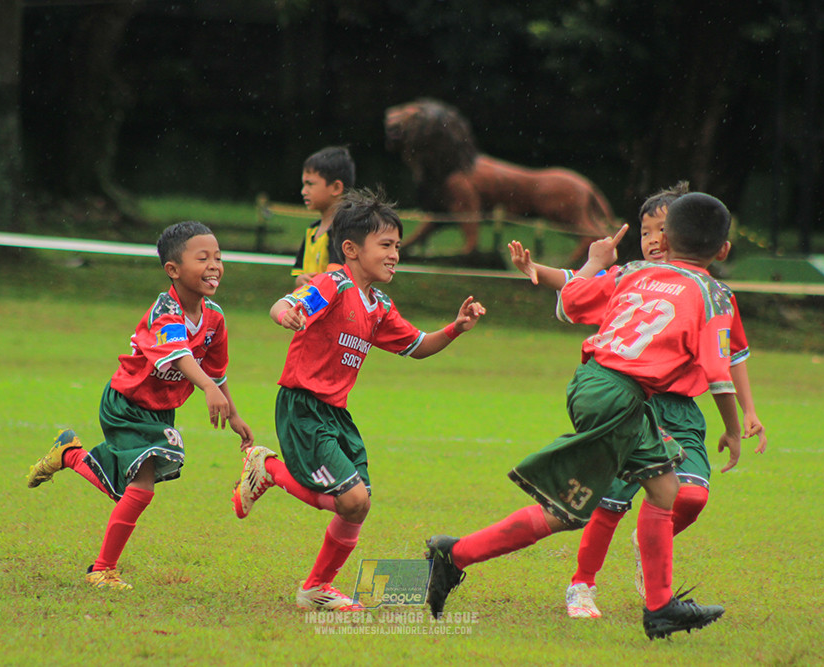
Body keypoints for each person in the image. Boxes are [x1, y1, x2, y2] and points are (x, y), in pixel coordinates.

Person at [425, 192, 742, 640]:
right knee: (568, 512)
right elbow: (718, 373)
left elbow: (572, 300)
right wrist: (733, 428)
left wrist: (595, 262)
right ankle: (454, 555)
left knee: (662, 487)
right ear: (723, 249)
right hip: (620, 394)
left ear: (668, 236)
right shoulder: (714, 292)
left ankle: (660, 608)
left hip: (597, 383)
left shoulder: (635, 270)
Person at [509, 182, 767, 619]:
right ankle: (582, 585)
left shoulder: (712, 295)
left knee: (691, 497)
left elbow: (730, 356)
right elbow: (575, 289)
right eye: (646, 232)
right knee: (608, 503)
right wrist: (539, 268)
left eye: (661, 230)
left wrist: (749, 411)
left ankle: (650, 541)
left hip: (680, 409)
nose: (653, 240)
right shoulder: (634, 276)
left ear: (682, 236)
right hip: (630, 400)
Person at [233, 188, 485, 611]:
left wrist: (456, 327)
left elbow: (418, 345)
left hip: (336, 414)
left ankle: (316, 588)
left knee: (357, 505)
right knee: (352, 499)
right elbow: (286, 303)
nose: (394, 255)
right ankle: (270, 469)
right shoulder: (333, 283)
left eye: (398, 247)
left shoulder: (378, 304)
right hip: (303, 406)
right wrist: (286, 314)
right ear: (351, 249)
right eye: (385, 245)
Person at [26, 221, 254, 589]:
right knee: (141, 489)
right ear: (173, 270)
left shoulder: (215, 317)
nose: (214, 265)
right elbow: (179, 355)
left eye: (218, 257)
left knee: (129, 488)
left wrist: (234, 412)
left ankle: (69, 454)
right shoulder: (164, 310)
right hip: (127, 404)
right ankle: (102, 569)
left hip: (159, 409)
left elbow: (215, 368)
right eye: (203, 258)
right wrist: (208, 387)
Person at [291, 146, 355, 288]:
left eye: (310, 184)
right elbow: (298, 272)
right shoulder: (312, 231)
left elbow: (338, 282)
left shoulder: (345, 232)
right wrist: (299, 280)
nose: (303, 191)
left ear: (336, 188)